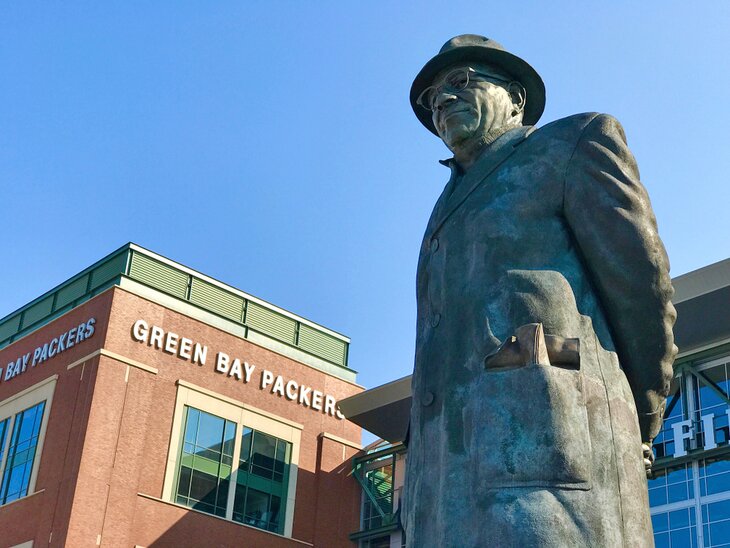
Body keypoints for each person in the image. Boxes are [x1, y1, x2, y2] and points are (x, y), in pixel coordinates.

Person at [402, 34, 676, 547]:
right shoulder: (441, 210)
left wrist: (643, 414)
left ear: (516, 98)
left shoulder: (571, 145)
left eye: (460, 81)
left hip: (554, 458)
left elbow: (640, 286)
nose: (442, 99)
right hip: (442, 483)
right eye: (431, 97)